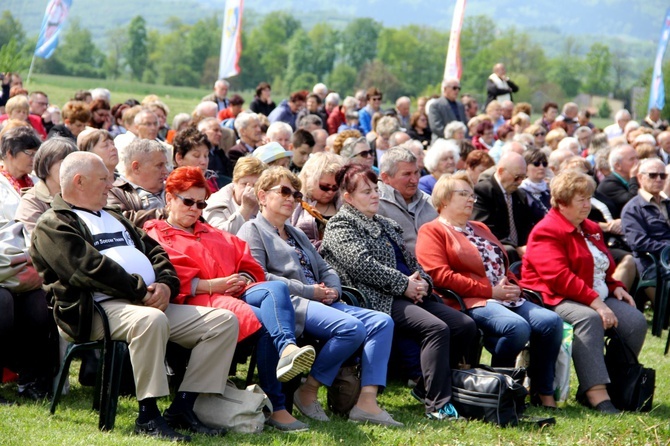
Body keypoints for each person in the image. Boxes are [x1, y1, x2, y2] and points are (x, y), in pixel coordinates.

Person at [30, 151, 238, 440]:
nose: (111, 184)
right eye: (104, 179)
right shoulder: (53, 223)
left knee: (223, 321)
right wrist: (141, 291)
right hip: (95, 312)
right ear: (79, 182)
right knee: (149, 320)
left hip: (143, 303)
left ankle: (183, 406)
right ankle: (148, 416)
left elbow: (156, 252)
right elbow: (88, 270)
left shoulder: (114, 216)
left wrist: (166, 285)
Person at [144, 166, 315, 432]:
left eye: (201, 203)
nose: (195, 208)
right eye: (187, 201)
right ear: (169, 198)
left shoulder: (210, 231)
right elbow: (172, 279)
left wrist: (243, 278)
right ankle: (279, 406)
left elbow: (249, 264)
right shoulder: (156, 233)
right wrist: (217, 284)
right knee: (267, 324)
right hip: (195, 303)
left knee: (277, 290)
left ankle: (288, 350)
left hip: (234, 293)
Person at [237, 167, 401, 427]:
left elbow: (325, 268)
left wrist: (334, 288)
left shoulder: (296, 233)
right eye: (284, 191)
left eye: (296, 193)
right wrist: (308, 291)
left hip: (323, 299)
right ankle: (309, 389)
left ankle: (367, 402)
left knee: (382, 322)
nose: (291, 198)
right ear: (263, 196)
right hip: (290, 303)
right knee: (351, 328)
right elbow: (260, 277)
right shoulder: (252, 230)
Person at [321, 164, 477, 420]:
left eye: (375, 189)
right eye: (366, 191)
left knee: (465, 325)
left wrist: (423, 283)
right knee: (436, 328)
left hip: (409, 292)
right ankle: (438, 406)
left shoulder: (386, 223)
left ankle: (430, 387)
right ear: (348, 198)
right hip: (375, 298)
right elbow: (362, 266)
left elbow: (414, 263)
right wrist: (405, 284)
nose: (374, 195)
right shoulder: (340, 225)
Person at [416, 172, 562, 408]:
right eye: (463, 194)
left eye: (472, 195)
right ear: (443, 200)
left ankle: (543, 392)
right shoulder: (432, 230)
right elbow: (439, 275)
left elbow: (501, 263)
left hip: (504, 297)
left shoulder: (480, 227)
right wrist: (490, 291)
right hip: (469, 300)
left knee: (551, 322)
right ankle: (500, 387)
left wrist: (513, 285)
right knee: (516, 328)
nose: (471, 200)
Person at [520, 169, 647, 415]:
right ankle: (595, 393)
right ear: (562, 203)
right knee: (588, 319)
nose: (587, 205)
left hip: (593, 293)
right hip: (553, 296)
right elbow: (559, 278)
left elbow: (603, 265)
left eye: (589, 198)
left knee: (635, 322)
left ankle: (615, 383)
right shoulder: (547, 231)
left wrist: (616, 287)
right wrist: (597, 303)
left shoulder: (590, 228)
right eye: (581, 200)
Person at [472, 151, 533, 263]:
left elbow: (526, 226)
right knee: (509, 251)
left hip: (518, 247)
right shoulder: (483, 191)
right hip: (495, 247)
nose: (520, 182)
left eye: (523, 177)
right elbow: (483, 228)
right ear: (501, 171)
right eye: (517, 177)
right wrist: (516, 248)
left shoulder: (519, 195)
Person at [378, 147, 437, 255]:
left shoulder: (430, 201)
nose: (414, 180)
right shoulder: (375, 205)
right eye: (407, 174)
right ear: (385, 178)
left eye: (416, 172)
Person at [15, 137, 77, 235]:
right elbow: (35, 240)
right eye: (63, 163)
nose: (70, 168)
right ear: (46, 164)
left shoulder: (81, 195)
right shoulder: (32, 201)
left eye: (74, 163)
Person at [292, 152, 345, 249]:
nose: (330, 192)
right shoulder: (294, 202)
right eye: (324, 187)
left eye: (335, 187)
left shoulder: (344, 204)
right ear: (310, 179)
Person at [204, 156, 267, 235]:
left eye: (255, 185)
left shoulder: (267, 202)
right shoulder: (216, 202)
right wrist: (246, 208)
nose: (249, 189)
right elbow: (219, 237)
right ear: (235, 182)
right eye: (244, 184)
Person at [0, 126, 41, 225]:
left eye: (36, 154)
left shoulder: (37, 181)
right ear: (9, 153)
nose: (34, 159)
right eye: (29, 153)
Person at [596, 144, 639, 219]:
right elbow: (633, 202)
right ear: (618, 166)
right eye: (632, 159)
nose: (637, 162)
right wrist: (633, 177)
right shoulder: (609, 184)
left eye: (637, 158)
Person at [172, 126, 219, 192]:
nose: (204, 162)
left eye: (206, 156)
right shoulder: (170, 186)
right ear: (179, 158)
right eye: (196, 156)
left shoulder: (211, 179)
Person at [428, 78, 467, 143]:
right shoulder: (435, 105)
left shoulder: (460, 106)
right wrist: (452, 137)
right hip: (442, 143)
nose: (457, 91)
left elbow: (464, 123)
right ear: (445, 89)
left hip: (460, 143)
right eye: (454, 88)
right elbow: (436, 127)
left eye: (458, 88)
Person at [519, 149, 551, 225]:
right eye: (536, 164)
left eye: (544, 164)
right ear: (525, 167)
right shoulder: (519, 192)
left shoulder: (548, 191)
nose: (541, 167)